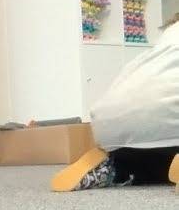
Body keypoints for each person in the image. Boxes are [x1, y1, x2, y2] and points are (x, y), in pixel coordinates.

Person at [53, 14, 179, 190]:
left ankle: (115, 169)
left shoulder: (163, 43)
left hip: (111, 131)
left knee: (144, 159)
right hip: (167, 123)